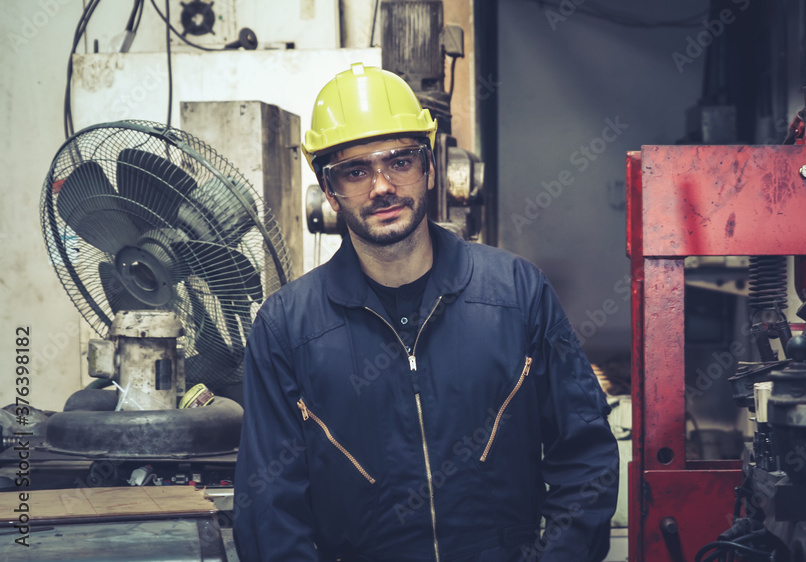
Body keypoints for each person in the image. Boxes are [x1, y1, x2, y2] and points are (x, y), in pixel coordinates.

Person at [234, 62, 619, 562]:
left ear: (430, 167)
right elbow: (269, 508)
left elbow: (585, 456)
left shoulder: (517, 294)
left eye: (400, 161)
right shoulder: (287, 328)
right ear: (329, 191)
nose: (381, 186)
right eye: (355, 170)